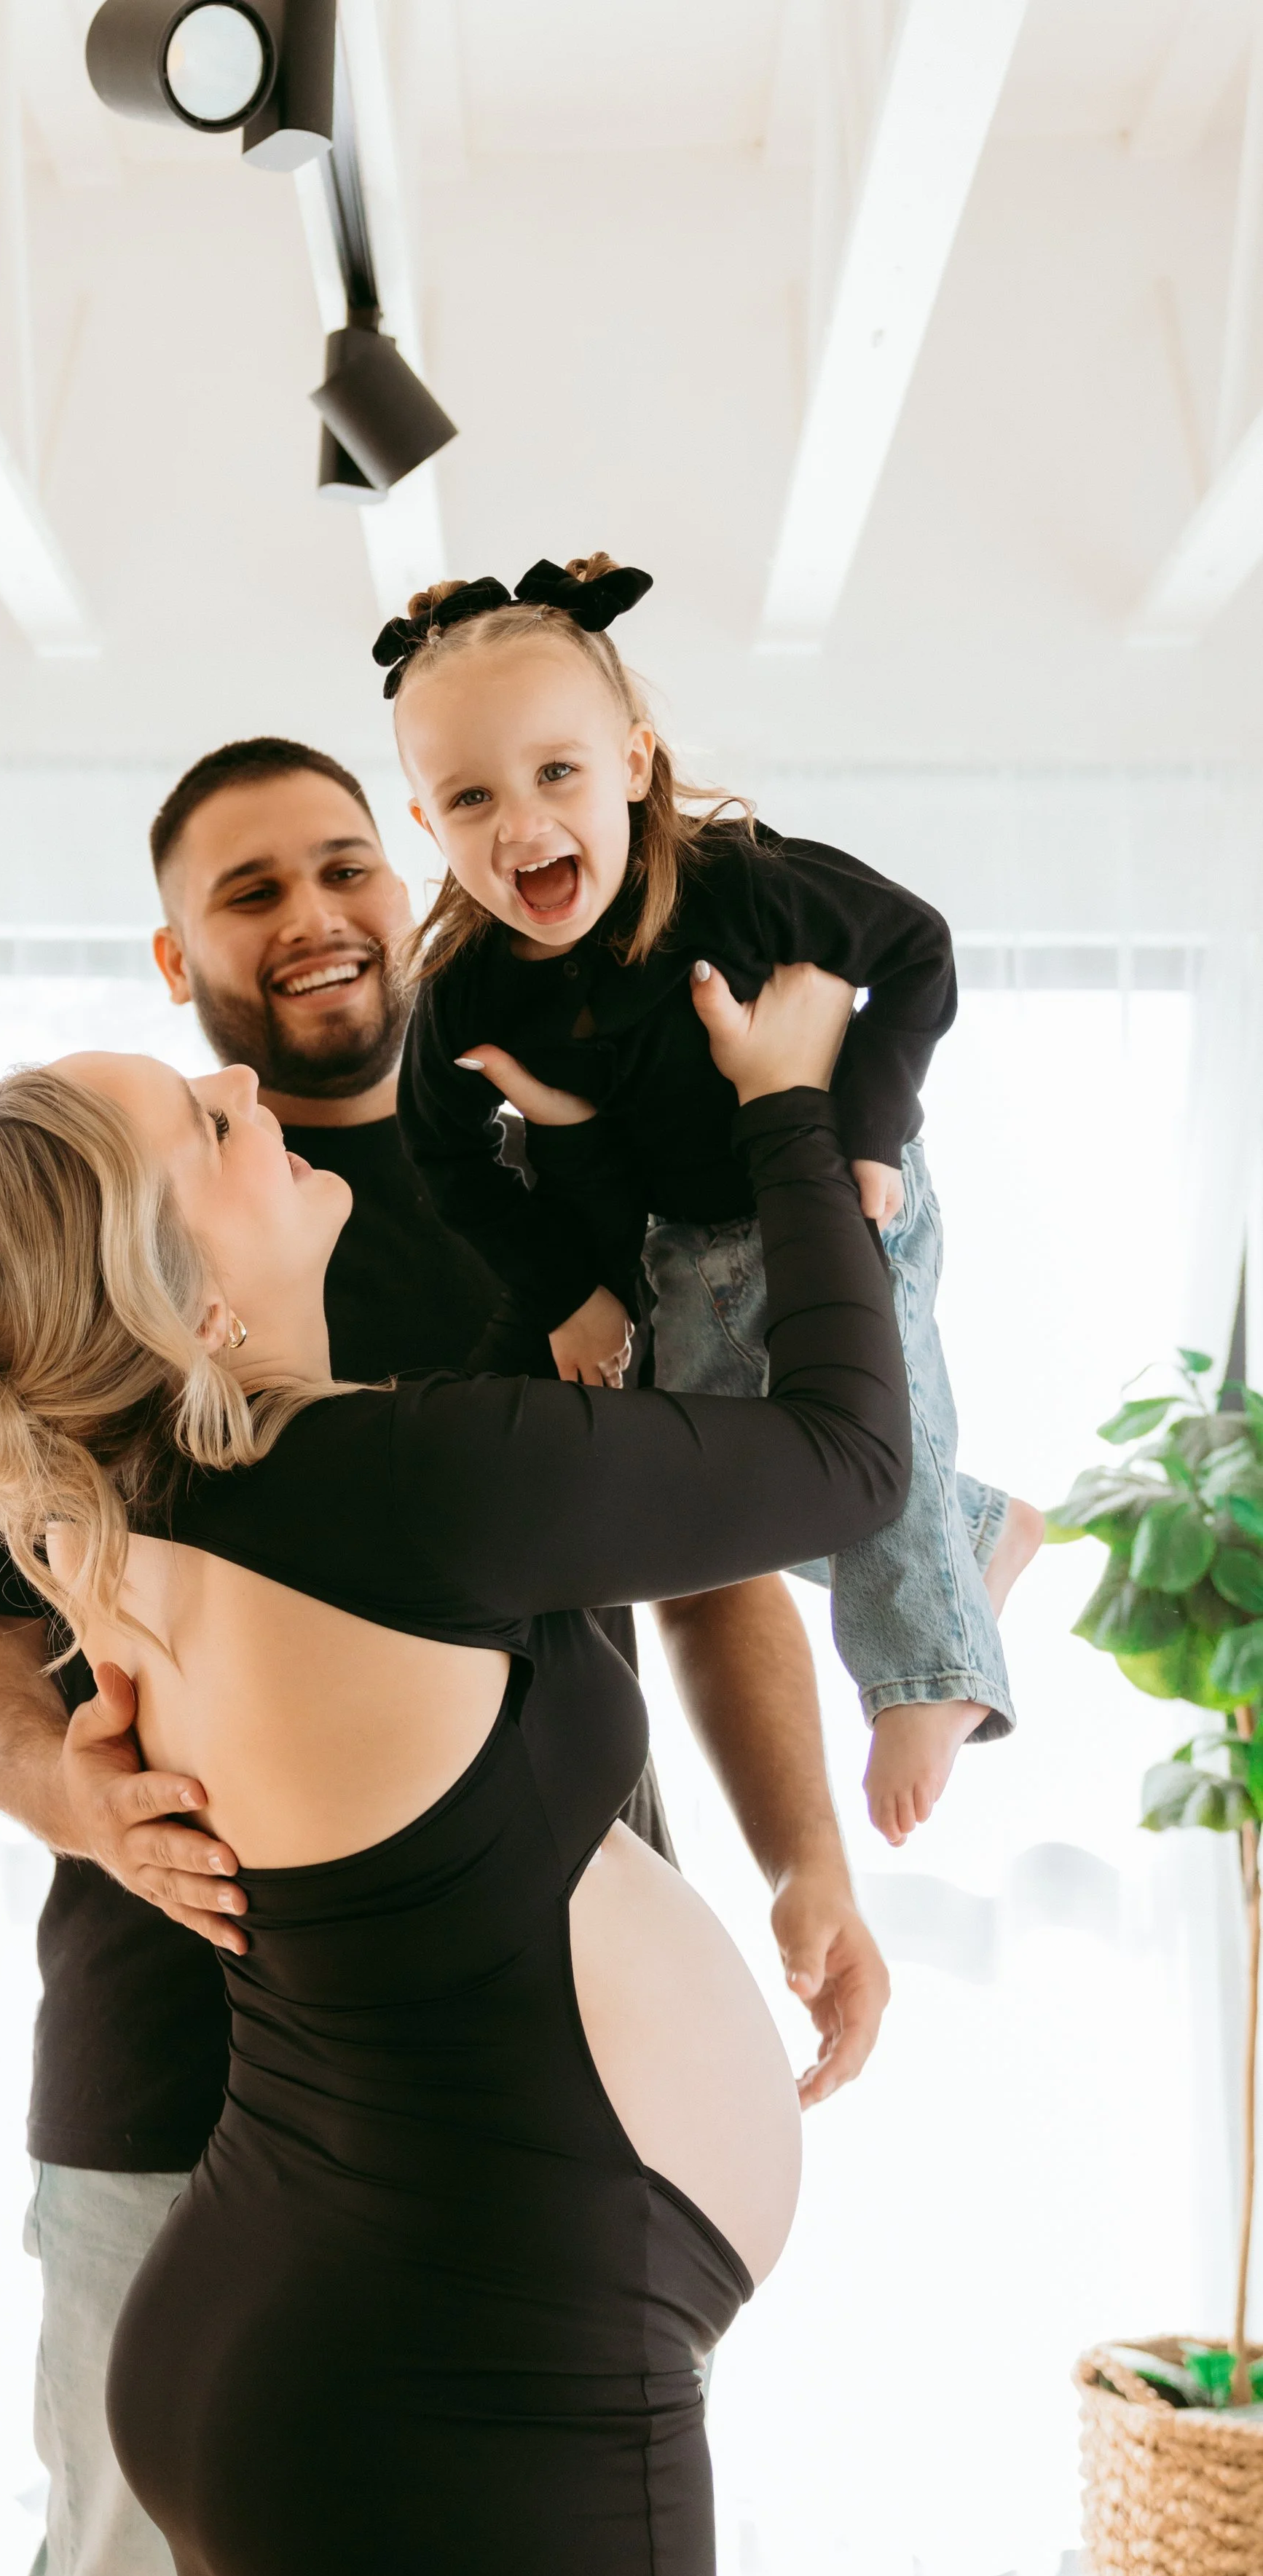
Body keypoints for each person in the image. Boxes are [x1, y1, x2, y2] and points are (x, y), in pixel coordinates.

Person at [0, 738, 891, 2576]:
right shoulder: (77, 1308)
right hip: (193, 2108)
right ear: (175, 955)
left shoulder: (528, 1215)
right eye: (248, 891)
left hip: (494, 2175)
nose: (312, 914)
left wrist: (801, 1852)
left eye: (345, 863)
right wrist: (73, 1788)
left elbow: (707, 1556)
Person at [383, 554, 1043, 1843]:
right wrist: (569, 1291)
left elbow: (918, 951)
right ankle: (975, 1527)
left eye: (555, 773)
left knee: (867, 1446)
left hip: (842, 1197)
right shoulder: (470, 991)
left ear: (633, 761)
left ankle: (929, 1680)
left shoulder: (740, 882)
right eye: (471, 796)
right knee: (726, 1484)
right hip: (688, 1246)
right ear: (426, 824)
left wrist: (870, 1128)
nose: (520, 826)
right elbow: (445, 1158)